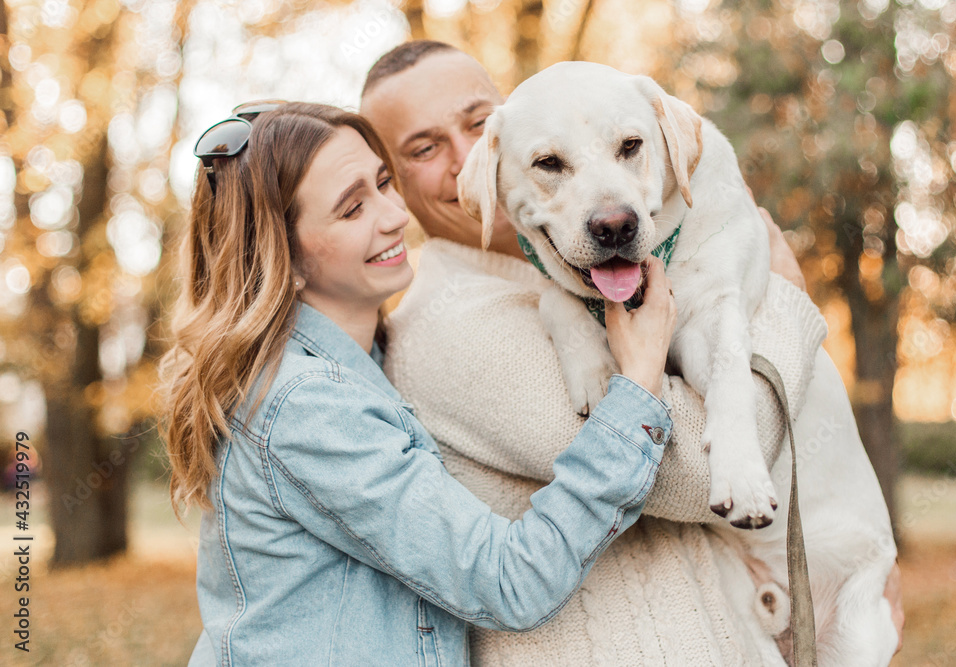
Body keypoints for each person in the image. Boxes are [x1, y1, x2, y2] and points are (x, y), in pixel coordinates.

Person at [361, 41, 904, 665]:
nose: (467, 158)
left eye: (480, 123)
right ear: (390, 181)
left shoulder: (565, 272)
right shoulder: (452, 326)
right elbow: (700, 476)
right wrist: (785, 303)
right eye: (423, 149)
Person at [162, 102, 681, 665]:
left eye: (384, 183)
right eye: (352, 208)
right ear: (282, 261)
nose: (393, 215)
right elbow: (508, 581)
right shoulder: (306, 405)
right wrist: (638, 383)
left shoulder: (360, 364)